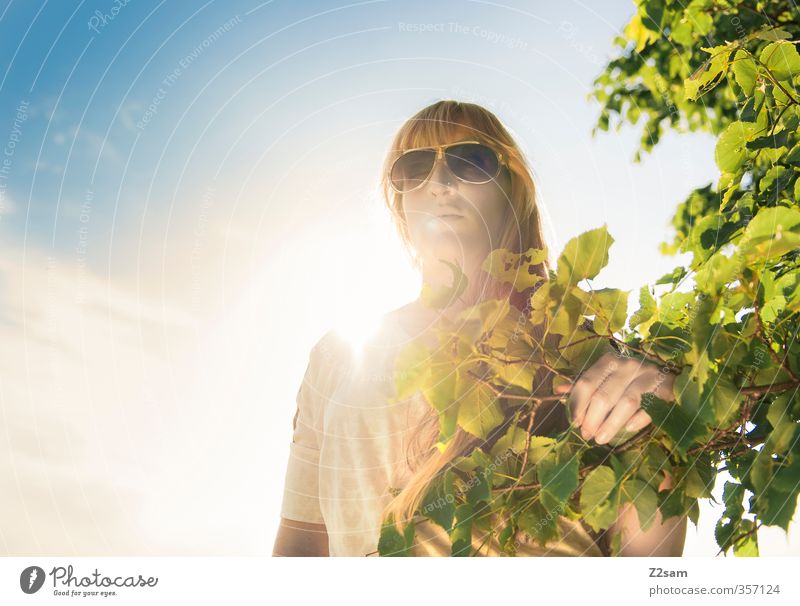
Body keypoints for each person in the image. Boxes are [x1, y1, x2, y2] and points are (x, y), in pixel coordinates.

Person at [273, 100, 688, 557]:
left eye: (471, 161)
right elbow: (300, 546)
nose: (439, 183)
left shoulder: (591, 360)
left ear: (515, 191)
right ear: (401, 202)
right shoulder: (338, 358)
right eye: (413, 168)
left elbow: (650, 564)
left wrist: (670, 415)